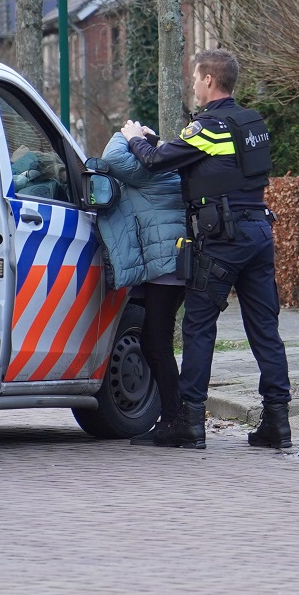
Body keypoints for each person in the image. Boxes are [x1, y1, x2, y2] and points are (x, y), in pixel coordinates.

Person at [121, 49, 291, 451]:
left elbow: (157, 162)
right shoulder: (251, 123)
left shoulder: (210, 126)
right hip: (259, 233)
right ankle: (277, 421)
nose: (194, 86)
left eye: (196, 79)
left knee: (198, 326)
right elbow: (215, 164)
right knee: (265, 330)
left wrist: (133, 139)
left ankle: (188, 420)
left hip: (223, 240)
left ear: (210, 80)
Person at [90, 131, 194, 447]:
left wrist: (125, 133)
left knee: (156, 343)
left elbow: (113, 158)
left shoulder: (152, 172)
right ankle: (176, 416)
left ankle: (176, 419)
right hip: (171, 268)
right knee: (156, 342)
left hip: (165, 271)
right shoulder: (168, 172)